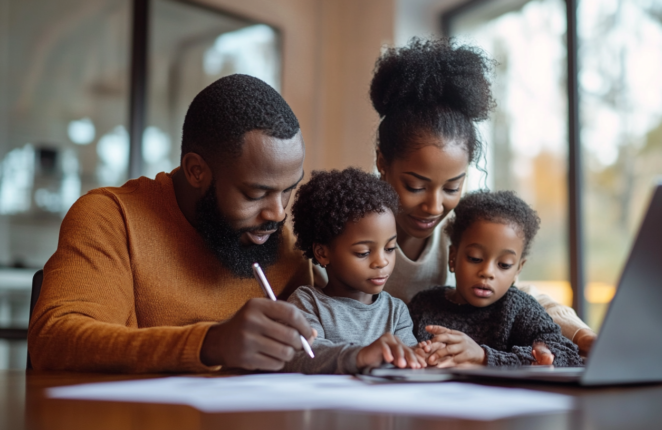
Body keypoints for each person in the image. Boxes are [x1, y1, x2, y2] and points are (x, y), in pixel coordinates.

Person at [28, 74, 317, 373]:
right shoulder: (112, 219)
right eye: (256, 193)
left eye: (288, 190)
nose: (278, 214)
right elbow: (54, 340)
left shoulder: (279, 245)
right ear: (196, 171)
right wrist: (210, 343)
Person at [367, 37, 598, 355]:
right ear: (382, 163)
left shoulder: (462, 234)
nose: (435, 207)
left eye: (451, 188)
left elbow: (520, 294)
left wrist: (581, 335)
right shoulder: (352, 230)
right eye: (416, 186)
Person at [409, 191, 583, 368]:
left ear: (517, 270)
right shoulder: (423, 304)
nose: (487, 272)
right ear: (453, 257)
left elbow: (569, 356)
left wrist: (484, 357)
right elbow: (400, 351)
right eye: (475, 258)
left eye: (504, 265)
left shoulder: (518, 308)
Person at [284, 168, 426, 374]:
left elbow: (408, 360)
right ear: (323, 253)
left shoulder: (396, 312)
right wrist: (360, 355)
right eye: (363, 252)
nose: (381, 262)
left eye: (390, 249)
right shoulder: (308, 303)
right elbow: (304, 355)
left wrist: (427, 353)